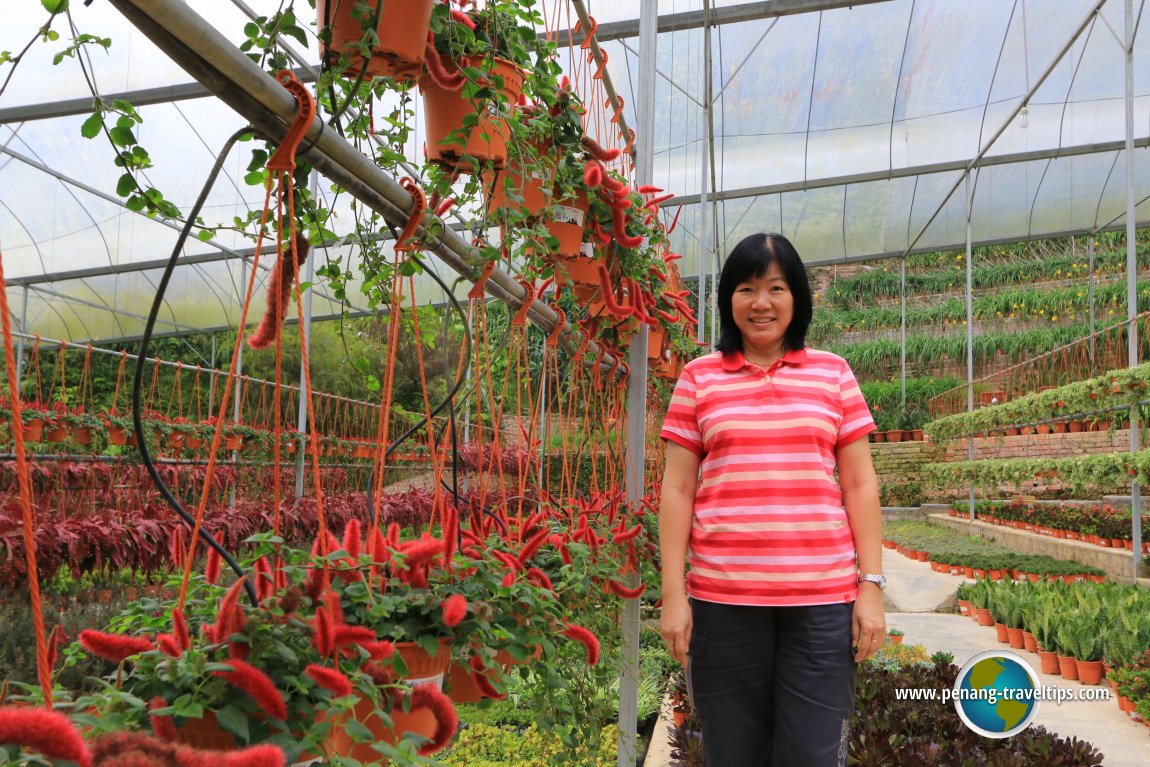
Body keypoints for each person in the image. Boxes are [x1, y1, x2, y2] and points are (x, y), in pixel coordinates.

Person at [658, 232, 885, 767]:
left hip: (822, 605)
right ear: (728, 301)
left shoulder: (833, 373)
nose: (761, 303)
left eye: (776, 287)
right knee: (731, 753)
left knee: (811, 755)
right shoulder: (698, 378)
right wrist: (674, 594)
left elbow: (860, 484)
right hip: (723, 602)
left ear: (797, 297)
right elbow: (677, 488)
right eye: (746, 288)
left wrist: (870, 586)